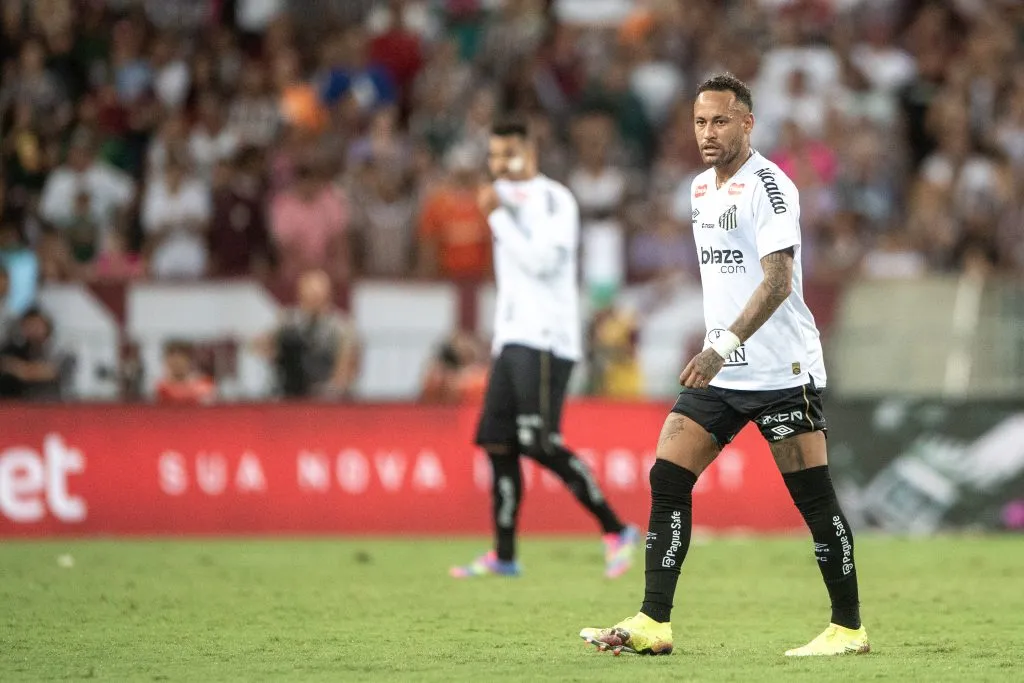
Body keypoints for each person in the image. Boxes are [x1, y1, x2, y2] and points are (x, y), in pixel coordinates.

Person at [580, 74, 868, 656]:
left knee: (813, 499)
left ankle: (848, 628)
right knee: (668, 476)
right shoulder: (699, 190)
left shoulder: (771, 186)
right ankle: (653, 622)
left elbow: (779, 281)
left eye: (719, 121)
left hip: (783, 372)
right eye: (699, 122)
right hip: (725, 373)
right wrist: (721, 350)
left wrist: (723, 345)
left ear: (746, 124)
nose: (707, 133)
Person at [449, 120, 638, 580]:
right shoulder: (500, 196)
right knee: (497, 442)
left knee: (538, 441)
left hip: (549, 339)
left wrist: (495, 216)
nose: (499, 164)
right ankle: (505, 554)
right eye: (493, 156)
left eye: (508, 154)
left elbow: (542, 262)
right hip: (511, 338)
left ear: (529, 152)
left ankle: (616, 529)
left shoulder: (555, 199)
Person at [154, 340, 216, 405]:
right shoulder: (159, 387)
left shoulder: (204, 385)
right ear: (166, 360)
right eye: (172, 357)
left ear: (189, 359)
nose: (176, 362)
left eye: (181, 358)